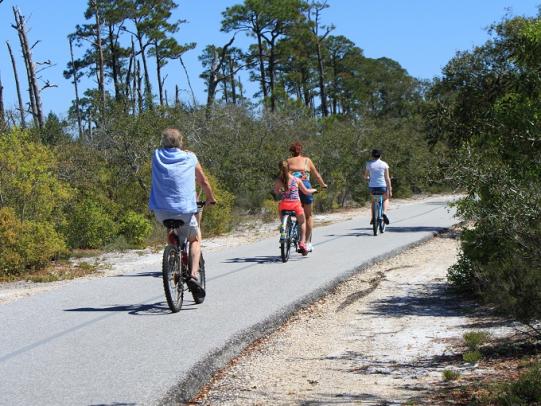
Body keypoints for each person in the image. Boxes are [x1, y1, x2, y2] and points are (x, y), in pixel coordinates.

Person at [149, 128, 216, 302]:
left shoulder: (156, 155)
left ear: (163, 141)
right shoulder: (190, 157)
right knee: (194, 239)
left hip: (160, 211)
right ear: (181, 141)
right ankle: (193, 275)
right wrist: (210, 197)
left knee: (172, 229)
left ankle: (174, 258)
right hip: (185, 210)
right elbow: (203, 181)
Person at [286, 142, 327, 253]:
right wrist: (323, 185)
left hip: (292, 187)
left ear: (291, 151)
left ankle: (290, 227)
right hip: (305, 186)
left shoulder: (288, 162)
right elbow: (317, 175)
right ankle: (307, 242)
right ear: (301, 150)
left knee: (293, 211)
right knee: (308, 216)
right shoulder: (307, 160)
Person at [274, 161, 316, 256]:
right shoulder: (296, 179)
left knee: (280, 207)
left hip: (285, 204)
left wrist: (281, 192)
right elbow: (306, 191)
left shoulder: (279, 180)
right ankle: (302, 242)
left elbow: (276, 192)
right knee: (302, 221)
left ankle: (283, 225)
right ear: (289, 169)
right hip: (295, 204)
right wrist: (314, 190)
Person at [364, 149, 392, 224]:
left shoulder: (369, 164)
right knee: (386, 199)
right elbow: (387, 178)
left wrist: (368, 178)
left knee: (373, 201)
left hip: (372, 187)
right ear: (380, 155)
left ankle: (373, 218)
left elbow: (366, 176)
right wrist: (390, 189)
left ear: (372, 155)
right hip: (382, 187)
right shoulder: (384, 164)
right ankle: (384, 213)